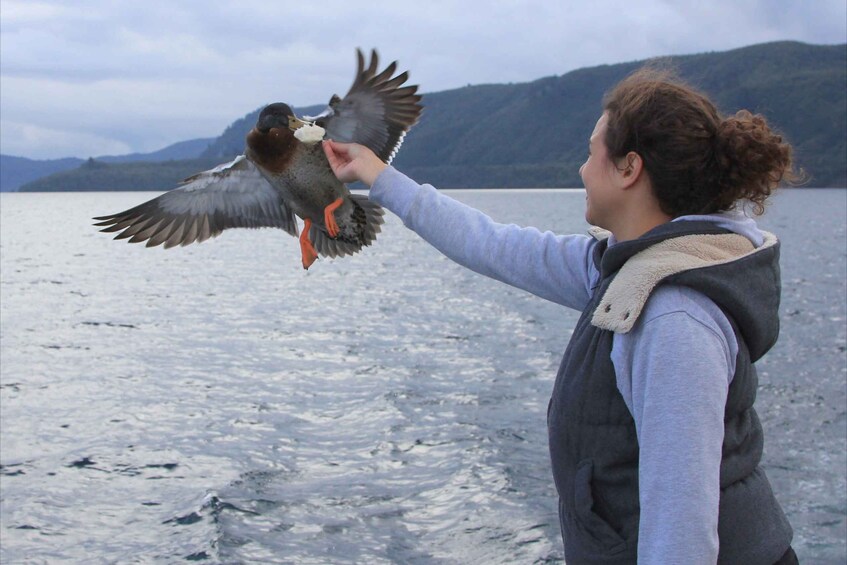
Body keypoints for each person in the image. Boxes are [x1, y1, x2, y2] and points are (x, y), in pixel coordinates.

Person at [322, 68, 799, 565]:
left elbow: (681, 530)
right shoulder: (625, 270)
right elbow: (493, 245)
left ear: (628, 167)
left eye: (591, 153)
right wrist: (376, 174)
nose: (582, 170)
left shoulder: (675, 318)